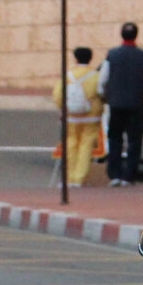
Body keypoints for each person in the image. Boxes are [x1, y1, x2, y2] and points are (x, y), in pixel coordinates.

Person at [100, 21, 143, 187]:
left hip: (116, 104)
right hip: (136, 104)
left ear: (121, 35)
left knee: (115, 138)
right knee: (134, 140)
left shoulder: (112, 55)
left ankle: (114, 174)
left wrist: (105, 96)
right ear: (136, 36)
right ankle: (129, 176)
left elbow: (103, 80)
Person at [55, 45, 101, 188]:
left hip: (72, 115)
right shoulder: (95, 76)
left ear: (75, 58)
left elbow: (57, 94)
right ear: (90, 58)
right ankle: (80, 178)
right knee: (86, 145)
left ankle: (69, 178)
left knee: (71, 143)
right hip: (91, 116)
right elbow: (102, 93)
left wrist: (62, 108)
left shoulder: (68, 76)